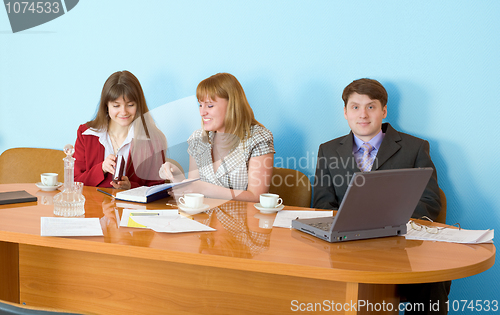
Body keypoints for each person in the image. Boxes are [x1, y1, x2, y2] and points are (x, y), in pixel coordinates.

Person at [313, 78, 450, 315]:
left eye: (371, 106)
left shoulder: (415, 148)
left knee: (435, 278)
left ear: (383, 111)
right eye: (355, 107)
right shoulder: (327, 150)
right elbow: (322, 203)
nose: (363, 114)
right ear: (345, 112)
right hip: (347, 248)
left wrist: (392, 224)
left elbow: (429, 200)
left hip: (400, 248)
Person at [159, 73, 274, 202]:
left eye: (209, 105)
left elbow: (256, 197)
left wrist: (205, 189)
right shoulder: (198, 139)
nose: (202, 112)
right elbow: (193, 192)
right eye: (200, 105)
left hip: (245, 220)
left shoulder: (258, 138)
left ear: (232, 105)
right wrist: (177, 177)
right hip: (203, 219)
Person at [74, 70, 167, 189]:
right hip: (92, 206)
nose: (123, 112)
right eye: (116, 106)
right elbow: (75, 182)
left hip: (132, 207)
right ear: (106, 106)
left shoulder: (154, 140)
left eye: (130, 105)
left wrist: (130, 187)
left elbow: (156, 189)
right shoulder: (86, 134)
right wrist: (101, 168)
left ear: (138, 105)